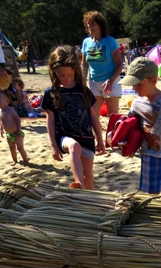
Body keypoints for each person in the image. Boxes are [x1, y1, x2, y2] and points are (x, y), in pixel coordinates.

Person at [41, 45, 105, 190]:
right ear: (54, 71)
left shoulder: (83, 90)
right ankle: (78, 185)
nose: (66, 79)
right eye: (62, 75)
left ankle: (89, 203)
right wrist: (53, 146)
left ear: (76, 71)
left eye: (70, 74)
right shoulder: (51, 92)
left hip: (86, 137)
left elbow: (93, 116)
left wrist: (100, 140)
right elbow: (50, 120)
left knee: (88, 176)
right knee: (74, 146)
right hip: (64, 136)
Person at [121, 57, 161, 197]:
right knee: (153, 192)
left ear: (154, 81)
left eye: (138, 84)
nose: (134, 88)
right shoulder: (136, 104)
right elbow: (132, 128)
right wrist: (130, 147)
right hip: (149, 154)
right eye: (133, 85)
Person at [81, 11, 122, 120]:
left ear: (100, 25)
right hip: (94, 83)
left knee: (113, 116)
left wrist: (111, 80)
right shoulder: (86, 42)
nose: (90, 26)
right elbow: (84, 65)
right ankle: (96, 137)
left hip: (111, 82)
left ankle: (113, 137)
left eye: (93, 23)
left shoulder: (110, 41)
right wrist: (83, 82)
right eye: (88, 23)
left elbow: (119, 65)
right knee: (93, 116)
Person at [0, 90, 29, 166]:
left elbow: (18, 120)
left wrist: (18, 131)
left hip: (17, 134)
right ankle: (15, 161)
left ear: (7, 100)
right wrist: (1, 128)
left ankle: (26, 161)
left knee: (20, 148)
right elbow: (2, 120)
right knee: (12, 148)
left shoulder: (10, 110)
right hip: (9, 135)